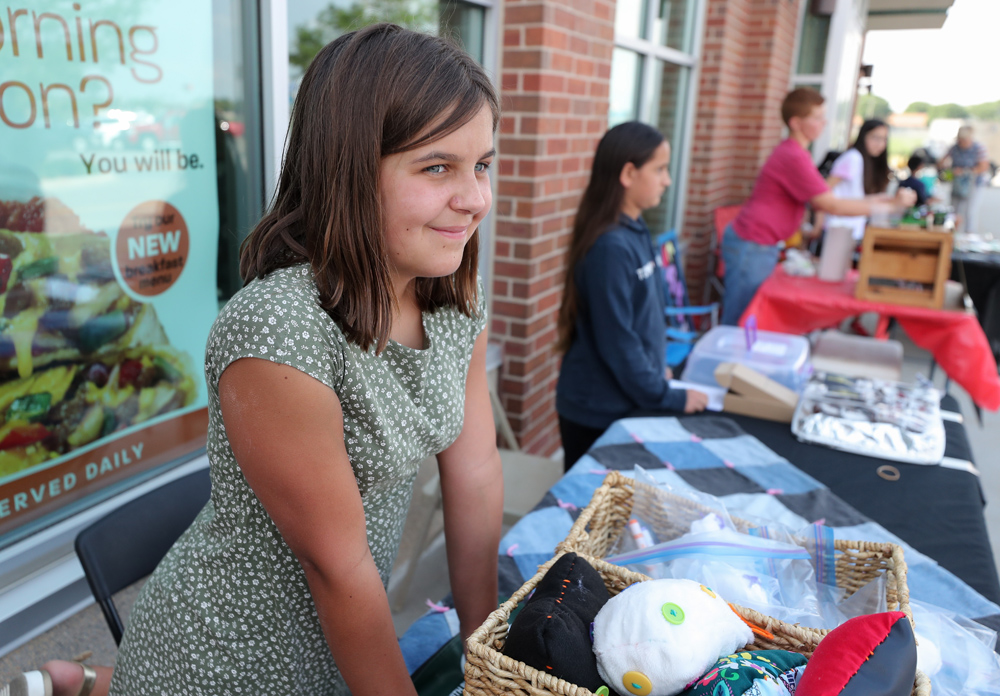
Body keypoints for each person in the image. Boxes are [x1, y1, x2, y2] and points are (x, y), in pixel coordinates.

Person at [5, 24, 503, 696]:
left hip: (340, 635)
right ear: (349, 170)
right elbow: (336, 566)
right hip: (224, 661)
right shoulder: (279, 331)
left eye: (482, 165)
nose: (475, 199)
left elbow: (475, 471)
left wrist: (487, 650)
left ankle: (88, 682)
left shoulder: (450, 295)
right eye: (437, 167)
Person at [555, 122, 709, 471]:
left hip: (628, 399)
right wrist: (668, 396)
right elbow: (619, 341)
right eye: (659, 169)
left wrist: (657, 367)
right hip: (597, 411)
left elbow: (645, 315)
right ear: (628, 174)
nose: (667, 180)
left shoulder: (636, 231)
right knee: (596, 504)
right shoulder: (609, 247)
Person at [720, 88, 916, 326]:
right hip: (753, 244)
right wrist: (888, 207)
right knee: (741, 320)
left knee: (747, 318)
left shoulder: (796, 153)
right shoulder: (793, 155)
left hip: (760, 244)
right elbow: (831, 204)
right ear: (796, 123)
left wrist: (884, 201)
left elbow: (827, 195)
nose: (824, 122)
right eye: (817, 117)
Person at [824, 119, 894, 241]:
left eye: (884, 139)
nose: (880, 144)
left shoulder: (865, 161)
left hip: (852, 230)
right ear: (863, 136)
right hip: (838, 228)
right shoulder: (852, 158)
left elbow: (856, 197)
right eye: (875, 138)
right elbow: (824, 190)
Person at [937, 125, 990, 234]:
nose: (961, 143)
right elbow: (941, 162)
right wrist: (949, 170)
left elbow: (984, 167)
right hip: (957, 185)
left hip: (973, 184)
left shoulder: (979, 148)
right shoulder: (954, 148)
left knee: (969, 212)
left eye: (963, 141)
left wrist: (964, 171)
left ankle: (969, 235)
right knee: (953, 211)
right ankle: (951, 235)